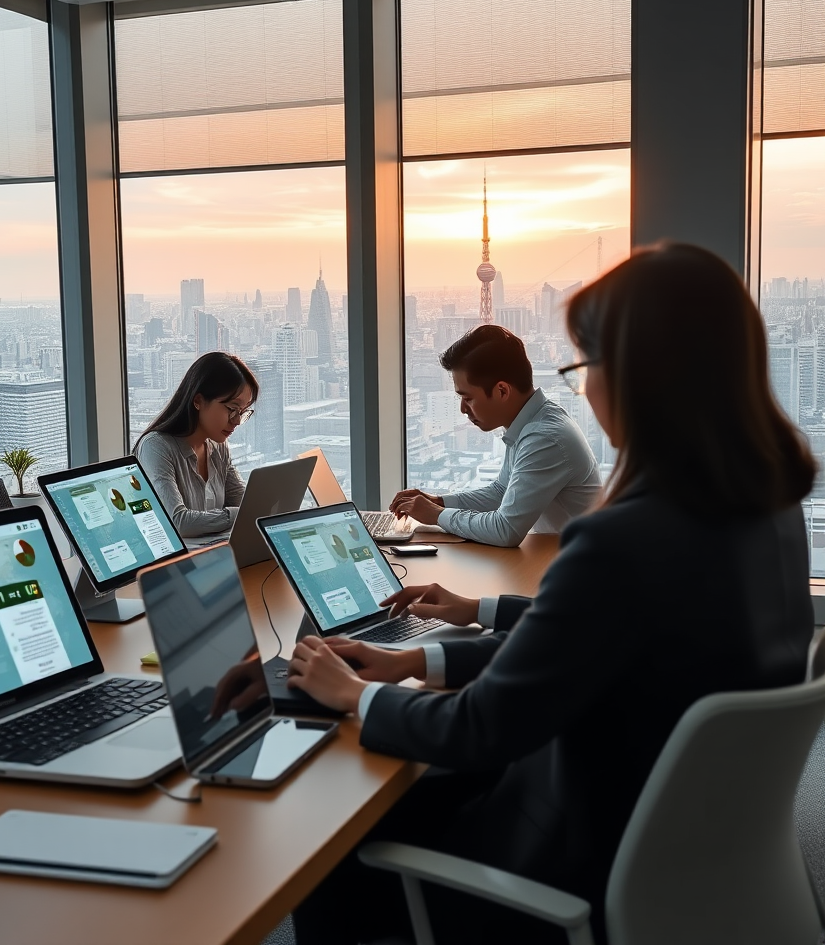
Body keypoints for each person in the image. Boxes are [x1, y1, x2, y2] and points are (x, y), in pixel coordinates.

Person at [287, 242, 816, 945]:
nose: (586, 390)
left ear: (639, 376)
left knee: (334, 849)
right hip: (673, 832)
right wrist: (420, 663)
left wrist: (357, 696)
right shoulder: (767, 510)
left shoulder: (620, 541)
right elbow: (614, 637)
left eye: (585, 366)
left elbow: (483, 728)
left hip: (570, 855)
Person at [391, 325, 602, 547]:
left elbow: (506, 529)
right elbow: (502, 491)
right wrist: (439, 502)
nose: (463, 409)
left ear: (502, 391)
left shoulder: (544, 438)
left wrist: (436, 515)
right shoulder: (532, 421)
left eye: (468, 398)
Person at [134, 352, 258, 538]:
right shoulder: (156, 447)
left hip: (210, 556)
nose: (237, 421)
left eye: (242, 412)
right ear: (198, 401)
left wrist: (253, 509)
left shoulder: (218, 447)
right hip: (173, 564)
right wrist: (240, 514)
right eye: (232, 409)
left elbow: (244, 502)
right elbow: (178, 522)